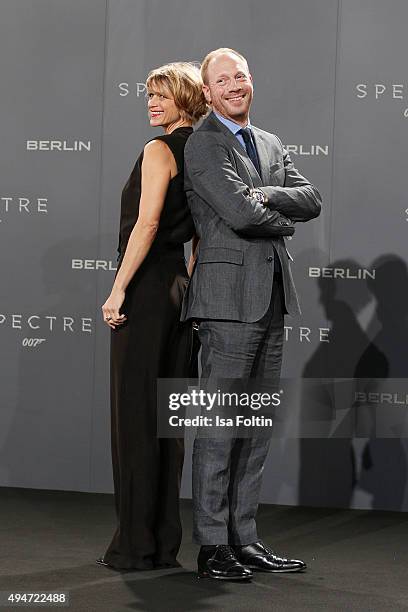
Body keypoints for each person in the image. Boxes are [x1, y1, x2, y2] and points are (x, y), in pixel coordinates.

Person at [181, 48, 322, 580]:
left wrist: (265, 193)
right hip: (224, 304)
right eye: (224, 80)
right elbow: (239, 214)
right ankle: (213, 544)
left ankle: (246, 538)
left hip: (271, 300)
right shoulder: (204, 143)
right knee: (220, 427)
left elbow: (311, 198)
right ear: (210, 92)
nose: (236, 85)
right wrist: (277, 215)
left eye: (241, 76)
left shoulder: (269, 142)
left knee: (254, 425)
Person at [98, 62, 207, 570]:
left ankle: (135, 546)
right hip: (180, 294)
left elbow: (147, 225)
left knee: (138, 418)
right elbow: (203, 234)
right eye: (148, 95)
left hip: (145, 294)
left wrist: (118, 290)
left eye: (160, 96)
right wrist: (187, 280)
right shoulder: (206, 152)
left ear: (185, 98)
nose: (150, 104)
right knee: (170, 421)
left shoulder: (158, 150)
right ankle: (164, 544)